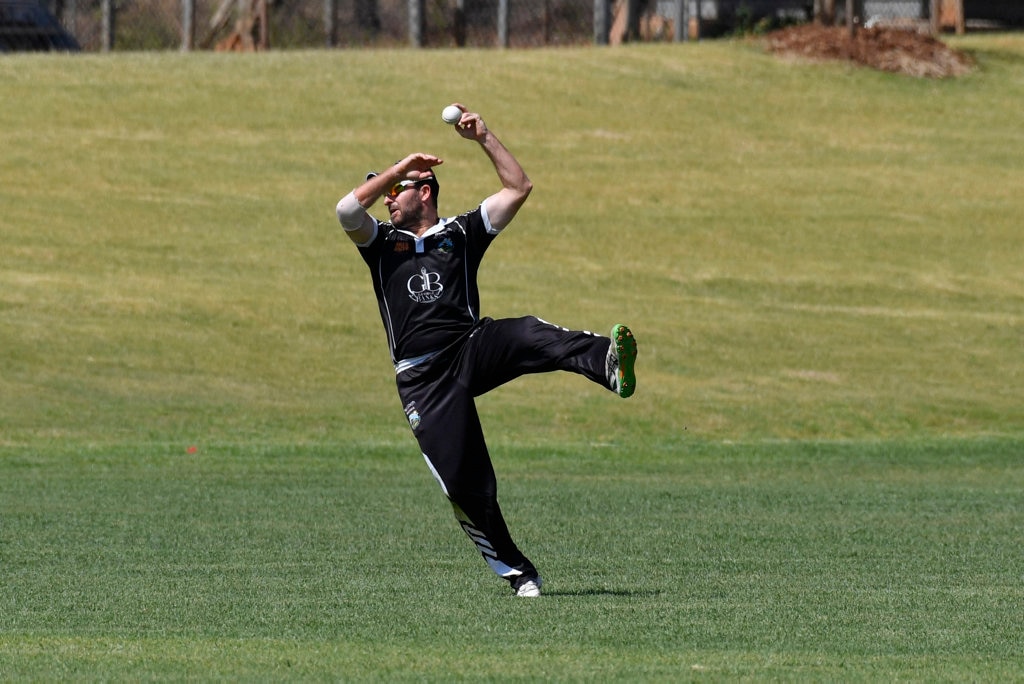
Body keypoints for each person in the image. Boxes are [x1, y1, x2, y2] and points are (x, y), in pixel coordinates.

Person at [334, 104, 638, 598]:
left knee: (527, 332)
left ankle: (606, 362)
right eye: (385, 192)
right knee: (467, 488)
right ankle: (518, 571)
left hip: (470, 347)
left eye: (395, 191)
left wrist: (484, 137)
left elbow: (518, 188)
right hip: (423, 380)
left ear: (425, 191)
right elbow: (346, 211)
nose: (386, 200)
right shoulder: (380, 243)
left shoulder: (460, 233)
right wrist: (396, 169)